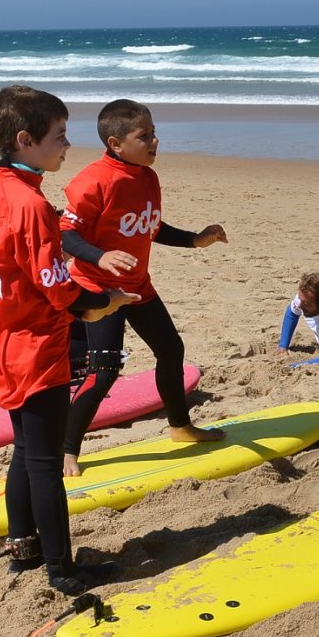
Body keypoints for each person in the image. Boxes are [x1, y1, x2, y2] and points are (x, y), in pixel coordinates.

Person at [0, 86, 137, 595]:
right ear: (25, 140)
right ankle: (62, 570)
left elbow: (29, 268)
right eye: (60, 136)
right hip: (35, 344)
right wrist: (102, 303)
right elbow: (55, 287)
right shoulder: (31, 205)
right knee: (44, 462)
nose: (68, 145)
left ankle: (24, 550)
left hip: (6, 332)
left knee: (25, 451)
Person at [58, 99, 226, 477]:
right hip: (98, 290)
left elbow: (150, 226)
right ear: (116, 143)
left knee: (171, 349)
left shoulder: (147, 177)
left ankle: (180, 427)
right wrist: (99, 257)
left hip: (137, 288)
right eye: (144, 136)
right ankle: (67, 449)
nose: (155, 141)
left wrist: (194, 240)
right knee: (103, 372)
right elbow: (67, 233)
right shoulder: (94, 179)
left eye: (154, 133)